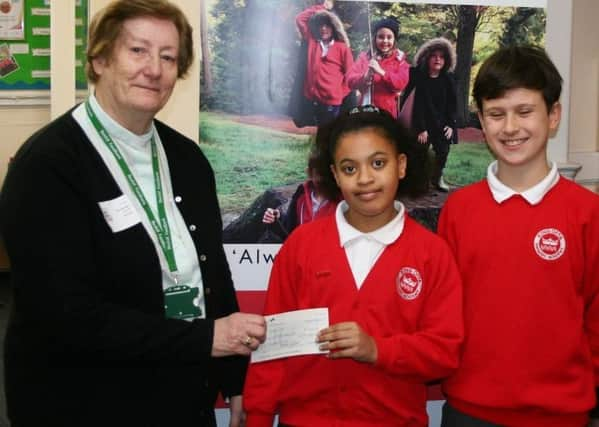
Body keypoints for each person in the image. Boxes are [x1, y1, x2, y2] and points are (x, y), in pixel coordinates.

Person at [0, 1, 266, 426]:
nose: (154, 69)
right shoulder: (48, 165)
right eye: (138, 51)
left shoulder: (187, 159)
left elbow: (212, 273)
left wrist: (234, 380)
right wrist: (204, 338)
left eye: (167, 57)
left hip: (179, 394)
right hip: (85, 402)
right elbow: (66, 316)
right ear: (100, 59)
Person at [243, 105, 463, 426]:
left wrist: (377, 350)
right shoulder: (301, 247)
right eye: (349, 168)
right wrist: (259, 415)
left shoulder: (431, 253)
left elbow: (444, 353)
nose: (364, 179)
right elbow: (273, 349)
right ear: (334, 175)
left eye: (378, 163)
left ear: (401, 165)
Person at [438, 45, 599, 427]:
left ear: (553, 115)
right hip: (468, 411)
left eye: (525, 112)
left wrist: (582, 388)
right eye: (496, 114)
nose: (510, 128)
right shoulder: (458, 210)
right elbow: (440, 313)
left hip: (562, 415)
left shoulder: (587, 212)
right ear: (481, 118)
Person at [400, 37, 457, 192]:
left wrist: (451, 125)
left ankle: (438, 177)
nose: (438, 59)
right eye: (434, 56)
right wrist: (421, 128)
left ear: (446, 60)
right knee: (419, 152)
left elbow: (452, 106)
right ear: (427, 57)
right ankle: (418, 178)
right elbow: (415, 105)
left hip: (441, 124)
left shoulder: (448, 80)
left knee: (443, 150)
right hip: (421, 123)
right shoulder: (418, 77)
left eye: (441, 56)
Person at [294, 0, 353, 126]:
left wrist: (338, 93)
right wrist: (322, 7)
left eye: (327, 25)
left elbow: (350, 76)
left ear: (333, 27)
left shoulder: (342, 47)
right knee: (317, 131)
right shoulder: (313, 42)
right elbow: (300, 19)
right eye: (321, 25)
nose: (323, 28)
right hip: (312, 99)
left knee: (329, 131)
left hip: (332, 101)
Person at [262, 146, 338, 240]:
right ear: (310, 173)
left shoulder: (342, 200)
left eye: (326, 174)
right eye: (319, 173)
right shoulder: (301, 195)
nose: (323, 179)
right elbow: (290, 228)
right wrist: (277, 217)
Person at [346, 17, 410, 118]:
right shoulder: (365, 57)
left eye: (389, 37)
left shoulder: (400, 60)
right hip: (364, 110)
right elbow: (349, 80)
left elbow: (400, 84)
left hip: (386, 113)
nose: (385, 41)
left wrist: (381, 72)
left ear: (394, 40)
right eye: (381, 37)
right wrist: (365, 77)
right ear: (375, 38)